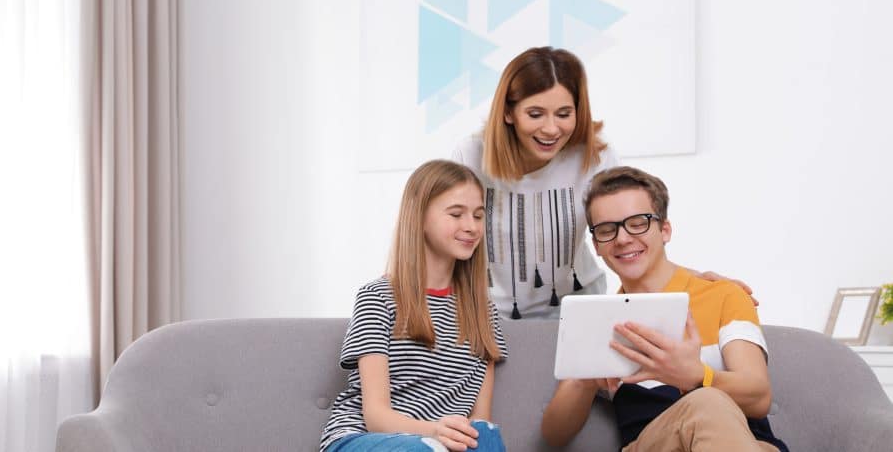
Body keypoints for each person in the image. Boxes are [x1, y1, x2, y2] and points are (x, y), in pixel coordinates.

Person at [540, 166, 788, 451]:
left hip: (749, 442)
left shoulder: (724, 295)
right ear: (596, 245)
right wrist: (583, 383)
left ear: (665, 230)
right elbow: (554, 435)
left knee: (711, 403)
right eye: (608, 230)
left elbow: (758, 397)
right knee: (706, 401)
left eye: (638, 223)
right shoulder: (600, 321)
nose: (622, 239)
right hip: (653, 444)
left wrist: (696, 376)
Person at [319, 160, 509, 452]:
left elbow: (479, 418)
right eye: (456, 214)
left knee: (487, 435)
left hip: (444, 445)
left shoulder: (483, 310)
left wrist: (459, 438)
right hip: (367, 439)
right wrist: (435, 431)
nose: (471, 227)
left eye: (478, 215)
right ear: (420, 217)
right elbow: (376, 417)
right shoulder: (378, 297)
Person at [452, 46, 618, 319]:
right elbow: (441, 240)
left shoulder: (595, 157)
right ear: (508, 113)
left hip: (577, 308)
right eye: (535, 114)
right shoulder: (470, 156)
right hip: (489, 315)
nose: (551, 129)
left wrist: (680, 277)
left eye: (564, 114)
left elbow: (628, 232)